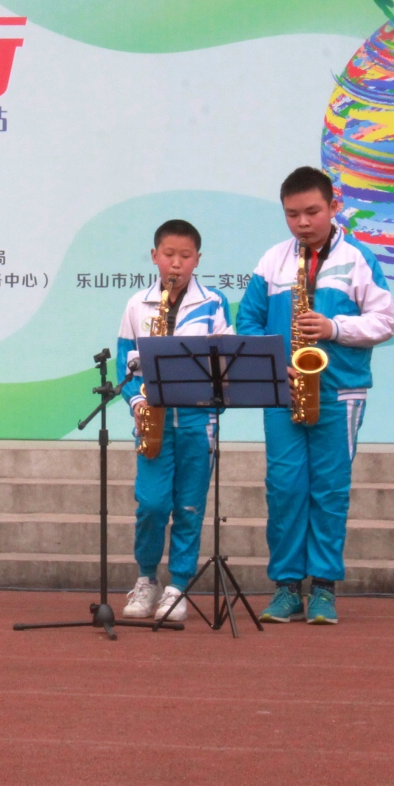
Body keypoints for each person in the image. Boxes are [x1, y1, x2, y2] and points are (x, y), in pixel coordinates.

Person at [236, 167, 394, 625]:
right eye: (292, 214)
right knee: (284, 488)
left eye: (312, 212)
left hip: (340, 390)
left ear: (334, 206)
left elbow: (386, 321)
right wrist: (274, 364)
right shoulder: (272, 261)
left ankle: (324, 588)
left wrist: (334, 328)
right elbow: (247, 321)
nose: (302, 223)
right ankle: (287, 587)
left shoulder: (359, 259)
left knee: (329, 490)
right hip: (283, 389)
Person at [117, 220, 233, 622]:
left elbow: (227, 362)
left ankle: (178, 586)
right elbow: (124, 362)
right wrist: (137, 402)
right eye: (169, 255)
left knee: (189, 506)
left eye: (185, 256)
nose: (176, 264)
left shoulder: (214, 303)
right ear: (154, 257)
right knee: (151, 505)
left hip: (198, 421)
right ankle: (146, 579)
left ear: (198, 259)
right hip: (154, 421)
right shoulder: (137, 304)